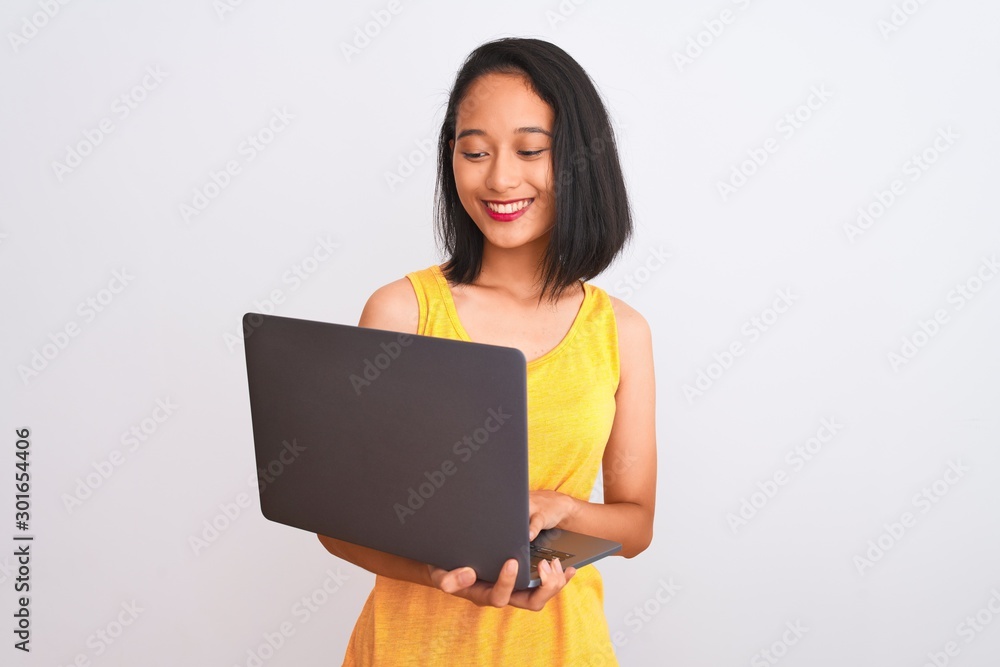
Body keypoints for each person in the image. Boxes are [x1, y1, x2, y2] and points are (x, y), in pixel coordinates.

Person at [318, 36, 657, 666]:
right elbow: (337, 528)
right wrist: (438, 574)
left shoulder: (621, 332)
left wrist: (569, 511)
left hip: (564, 650)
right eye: (474, 151)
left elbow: (636, 525)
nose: (500, 178)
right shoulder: (401, 313)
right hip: (408, 648)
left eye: (530, 150)